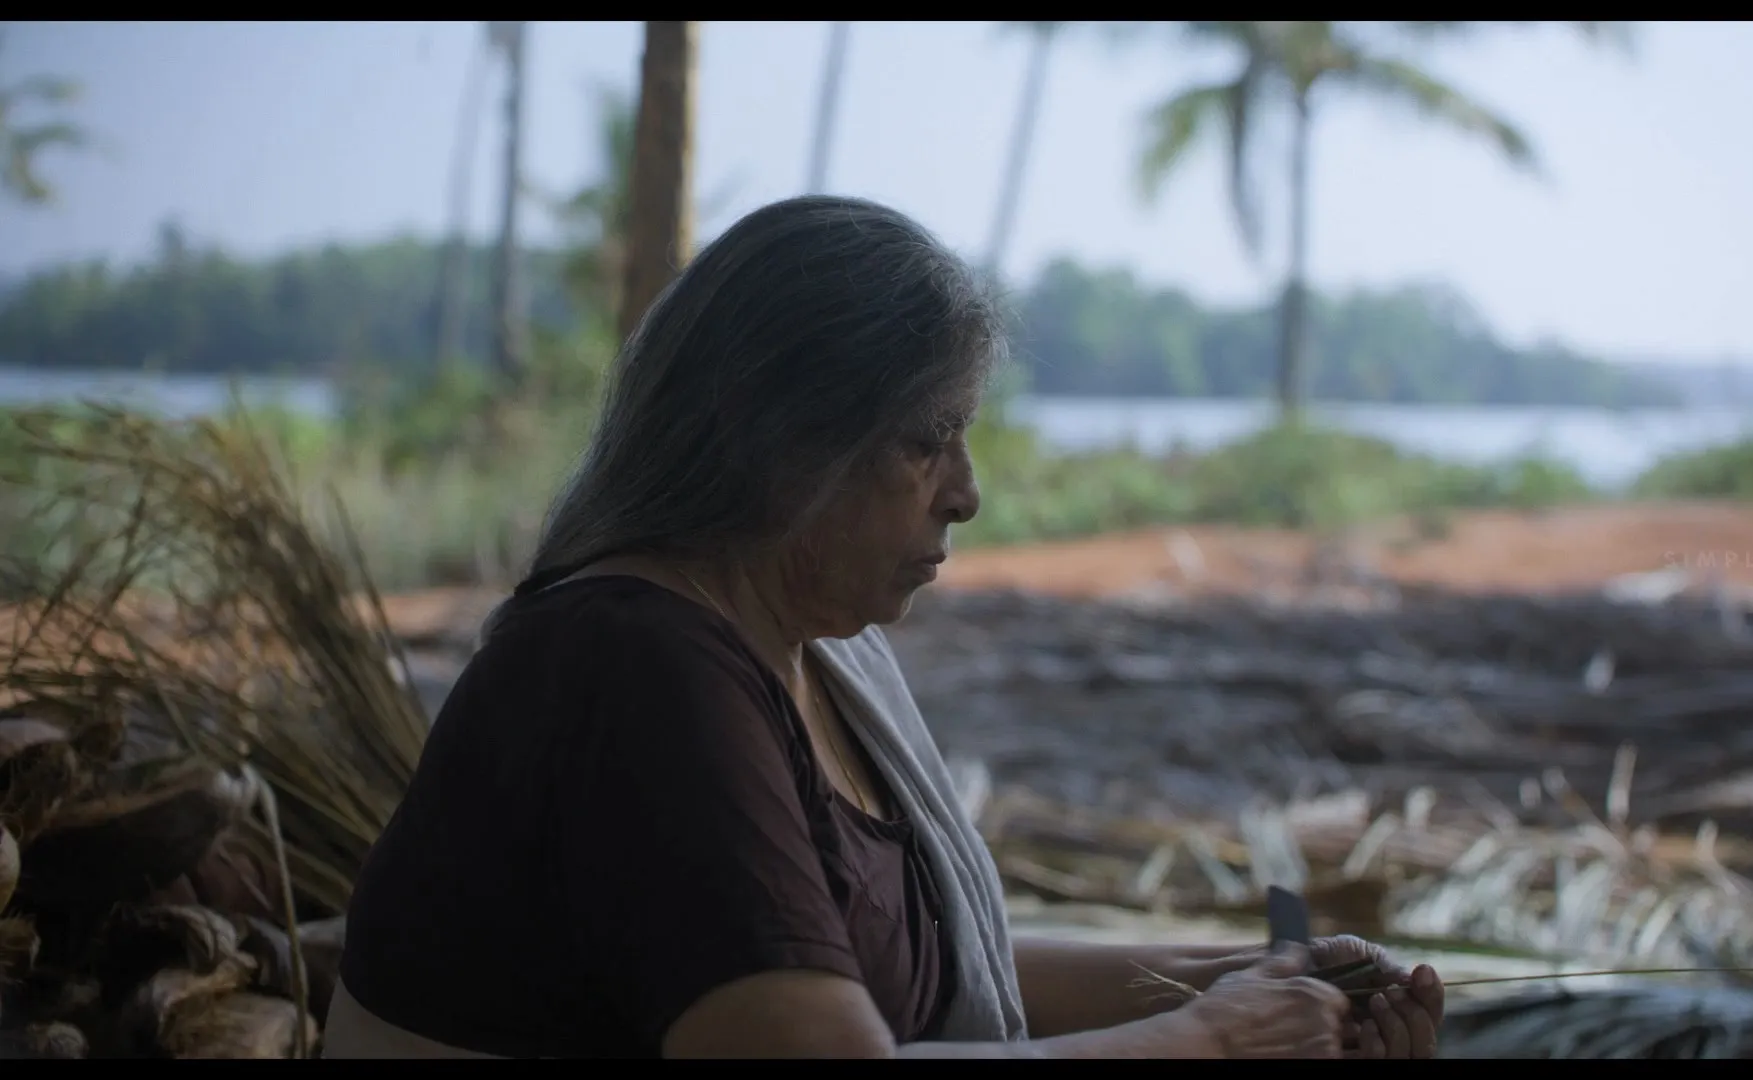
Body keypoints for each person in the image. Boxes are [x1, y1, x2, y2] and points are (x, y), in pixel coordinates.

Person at [320, 195, 1445, 1059]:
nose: (966, 493)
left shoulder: (812, 655)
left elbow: (941, 963)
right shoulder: (637, 666)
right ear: (781, 443)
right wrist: (1212, 1042)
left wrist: (1243, 976)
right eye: (926, 439)